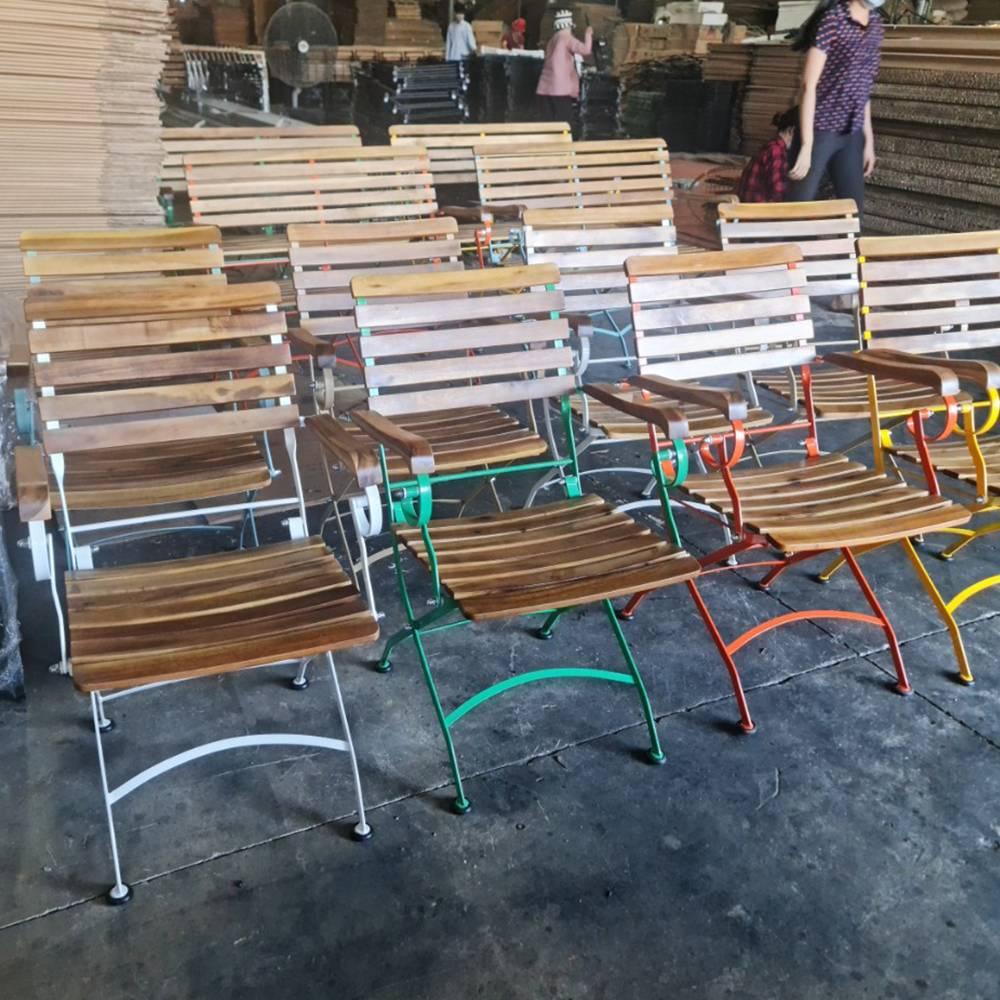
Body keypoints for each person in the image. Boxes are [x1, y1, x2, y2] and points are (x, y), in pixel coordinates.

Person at [787, 0, 885, 212]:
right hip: (821, 129)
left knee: (853, 211)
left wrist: (868, 140)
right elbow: (808, 85)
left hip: (852, 132)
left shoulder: (876, 24)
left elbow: (863, 86)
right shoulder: (833, 20)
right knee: (797, 207)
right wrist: (807, 145)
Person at [536, 9, 593, 123]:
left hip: (544, 88)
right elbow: (586, 50)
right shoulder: (566, 38)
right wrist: (588, 35)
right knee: (564, 122)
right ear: (569, 26)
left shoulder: (552, 40)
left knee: (548, 123)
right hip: (560, 89)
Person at [737, 107, 798, 202]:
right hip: (757, 210)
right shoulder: (777, 152)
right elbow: (778, 194)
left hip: (749, 206)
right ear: (791, 131)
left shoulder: (771, 146)